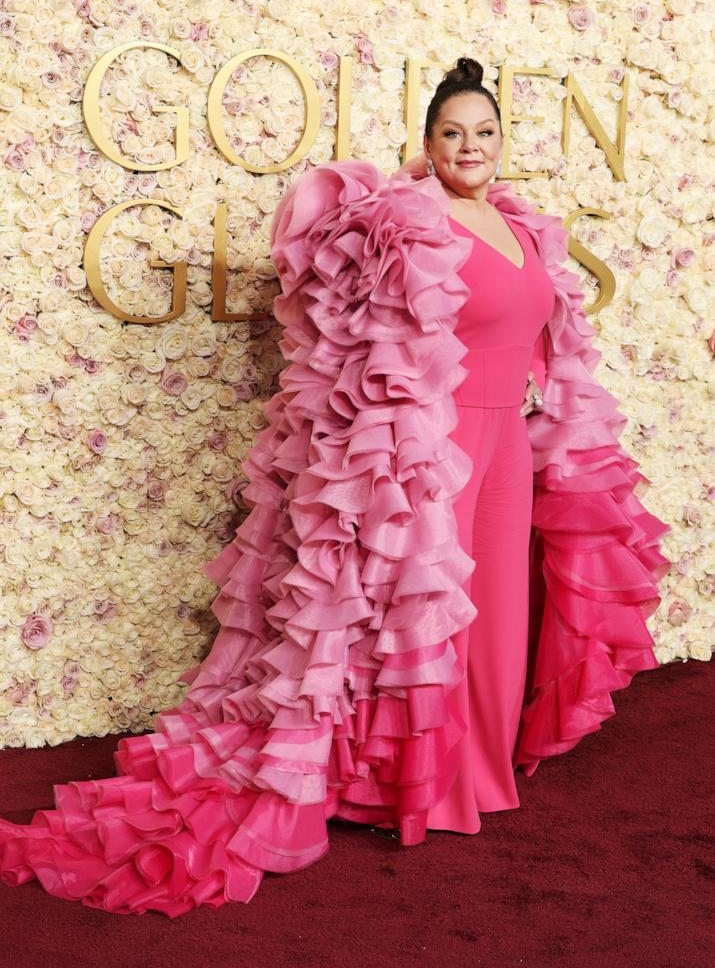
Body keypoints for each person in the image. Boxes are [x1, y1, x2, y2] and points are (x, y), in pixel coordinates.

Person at [0, 58, 671, 917]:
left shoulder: (517, 223)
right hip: (439, 436)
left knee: (496, 607)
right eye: (452, 133)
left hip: (508, 435)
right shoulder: (406, 217)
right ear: (427, 145)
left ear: (503, 143)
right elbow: (349, 322)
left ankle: (478, 771)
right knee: (418, 613)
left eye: (484, 132)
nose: (470, 146)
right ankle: (413, 788)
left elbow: (539, 333)